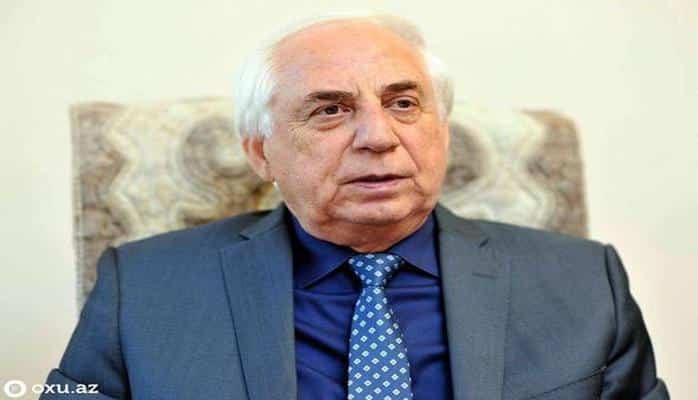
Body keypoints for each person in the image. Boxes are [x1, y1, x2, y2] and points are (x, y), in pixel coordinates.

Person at [41, 13, 669, 400]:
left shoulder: (586, 285)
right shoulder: (143, 289)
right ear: (261, 152)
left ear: (442, 132)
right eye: (330, 110)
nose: (378, 136)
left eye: (403, 104)